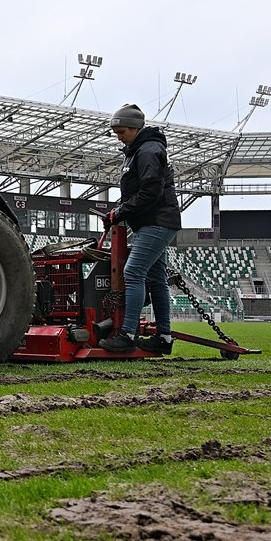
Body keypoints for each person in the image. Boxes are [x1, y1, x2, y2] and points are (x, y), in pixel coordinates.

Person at [101, 103, 181, 353]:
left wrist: (121, 212)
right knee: (157, 280)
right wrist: (120, 210)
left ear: (135, 128)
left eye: (122, 131)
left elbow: (150, 192)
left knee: (133, 272)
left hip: (156, 222)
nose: (119, 136)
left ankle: (127, 334)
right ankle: (164, 338)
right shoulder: (138, 150)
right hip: (152, 222)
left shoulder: (148, 150)